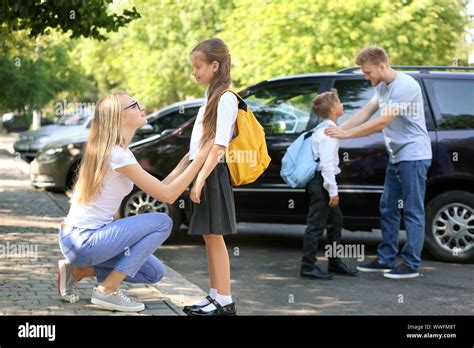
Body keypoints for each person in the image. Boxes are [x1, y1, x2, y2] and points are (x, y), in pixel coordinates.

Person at [57, 91, 212, 312]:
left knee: (153, 272)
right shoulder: (118, 155)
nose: (142, 107)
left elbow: (163, 187)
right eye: (134, 105)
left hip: (78, 240)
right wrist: (202, 160)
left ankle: (77, 271)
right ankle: (107, 291)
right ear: (119, 117)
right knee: (162, 222)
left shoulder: (118, 152)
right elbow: (168, 196)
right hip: (85, 240)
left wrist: (188, 159)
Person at [325, 46, 432, 279]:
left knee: (412, 210)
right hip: (397, 155)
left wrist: (346, 136)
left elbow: (381, 122)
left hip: (413, 155)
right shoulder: (382, 86)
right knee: (388, 208)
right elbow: (365, 112)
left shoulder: (405, 86)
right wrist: (337, 129)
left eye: (367, 72)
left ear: (382, 66)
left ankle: (411, 263)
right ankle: (386, 258)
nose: (366, 77)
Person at [176, 38, 238, 316]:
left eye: (198, 66)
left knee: (215, 237)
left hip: (212, 175)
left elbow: (219, 146)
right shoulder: (212, 97)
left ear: (215, 65)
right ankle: (215, 295)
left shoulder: (226, 98)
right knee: (209, 237)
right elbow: (197, 146)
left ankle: (224, 300)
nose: (195, 72)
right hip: (204, 173)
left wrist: (199, 180)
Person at [300, 91, 359, 280]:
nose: (342, 104)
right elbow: (326, 165)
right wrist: (332, 192)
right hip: (322, 185)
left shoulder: (327, 128)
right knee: (315, 225)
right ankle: (307, 266)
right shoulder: (329, 133)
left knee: (336, 223)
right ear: (334, 109)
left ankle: (334, 262)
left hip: (320, 183)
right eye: (340, 101)